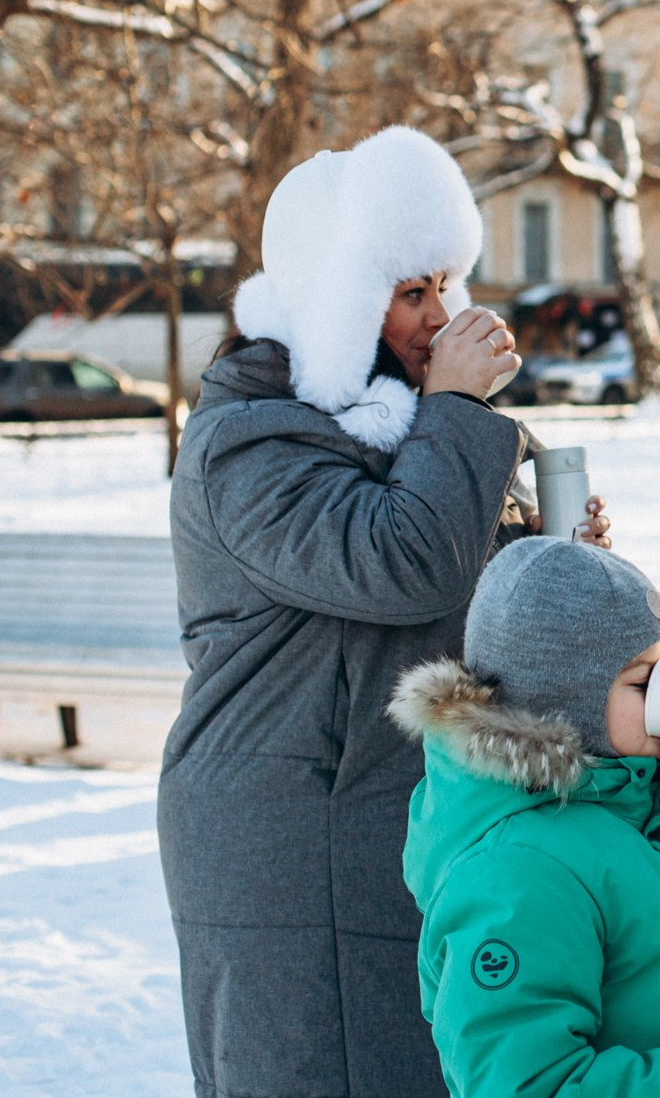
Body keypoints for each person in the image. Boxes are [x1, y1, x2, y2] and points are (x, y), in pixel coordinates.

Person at [159, 126, 612, 1098]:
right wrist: (459, 412)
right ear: (339, 296)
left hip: (398, 818)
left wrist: (544, 557)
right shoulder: (251, 442)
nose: (441, 317)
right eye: (412, 292)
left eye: (446, 284)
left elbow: (453, 605)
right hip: (296, 839)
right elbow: (403, 565)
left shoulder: (407, 423)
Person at [390, 537, 660, 1098]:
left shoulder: (648, 811)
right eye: (645, 682)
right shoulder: (520, 870)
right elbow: (524, 1086)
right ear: (569, 697)